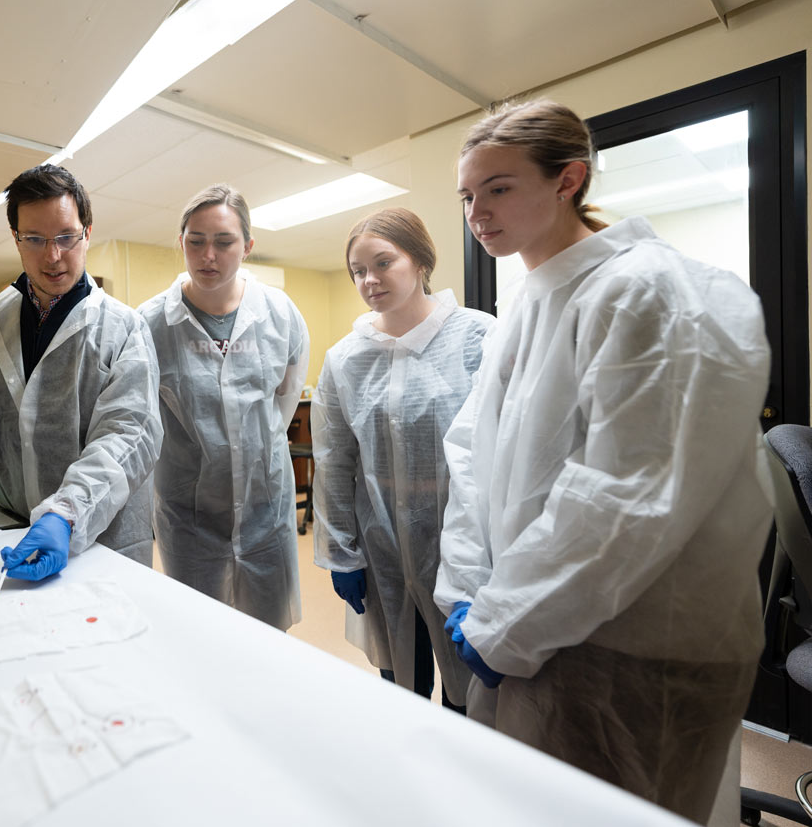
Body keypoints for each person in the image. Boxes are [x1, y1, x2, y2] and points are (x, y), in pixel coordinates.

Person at [435, 99, 773, 822]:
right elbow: (471, 455)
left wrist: (506, 623)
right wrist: (472, 590)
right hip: (534, 629)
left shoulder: (652, 292)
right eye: (467, 195)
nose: (476, 211)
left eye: (498, 188)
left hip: (636, 652)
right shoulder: (527, 306)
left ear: (568, 180)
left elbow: (629, 496)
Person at [0, 164, 163, 580]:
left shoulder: (124, 330)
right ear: (17, 240)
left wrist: (66, 514)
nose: (52, 256)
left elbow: (129, 435)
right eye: (35, 239)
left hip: (99, 538)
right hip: (8, 533)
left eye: (66, 237)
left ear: (87, 233)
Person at [312, 208, 492, 709]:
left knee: (468, 696)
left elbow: (496, 455)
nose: (370, 280)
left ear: (420, 260)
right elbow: (333, 460)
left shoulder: (477, 337)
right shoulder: (346, 357)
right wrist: (341, 552)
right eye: (357, 271)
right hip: (381, 550)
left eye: (383, 263)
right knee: (401, 687)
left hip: (461, 547)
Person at [138, 184, 310, 630]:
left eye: (223, 241)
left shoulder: (280, 313)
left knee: (268, 637)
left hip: (264, 510)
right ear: (181, 244)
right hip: (187, 516)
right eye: (195, 241)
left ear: (248, 247)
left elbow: (284, 402)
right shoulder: (150, 324)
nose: (207, 255)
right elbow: (141, 421)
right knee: (200, 635)